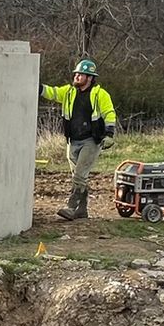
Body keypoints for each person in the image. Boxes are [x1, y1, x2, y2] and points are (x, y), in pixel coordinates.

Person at [41, 59, 117, 220]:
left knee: (80, 176)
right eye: (76, 73)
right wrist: (38, 87)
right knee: (78, 177)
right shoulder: (69, 92)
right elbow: (53, 92)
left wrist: (109, 134)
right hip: (73, 140)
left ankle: (71, 207)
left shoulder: (100, 95)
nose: (76, 76)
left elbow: (109, 114)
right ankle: (82, 211)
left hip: (91, 140)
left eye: (80, 74)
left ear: (89, 78)